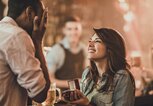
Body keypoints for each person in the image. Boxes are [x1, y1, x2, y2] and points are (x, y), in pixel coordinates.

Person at [66, 28, 135, 106]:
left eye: (97, 41)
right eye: (90, 41)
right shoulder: (87, 73)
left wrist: (87, 104)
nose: (90, 44)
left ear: (110, 48)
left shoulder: (121, 76)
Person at [0, 0, 50, 106]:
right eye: (41, 17)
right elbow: (40, 94)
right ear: (30, 13)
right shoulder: (17, 36)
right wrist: (38, 41)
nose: (42, 24)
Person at [46, 16, 86, 90]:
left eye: (76, 29)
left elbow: (88, 74)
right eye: (69, 29)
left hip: (81, 96)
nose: (73, 32)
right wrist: (74, 84)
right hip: (61, 97)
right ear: (64, 30)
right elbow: (49, 79)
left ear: (81, 30)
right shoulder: (57, 50)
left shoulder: (84, 49)